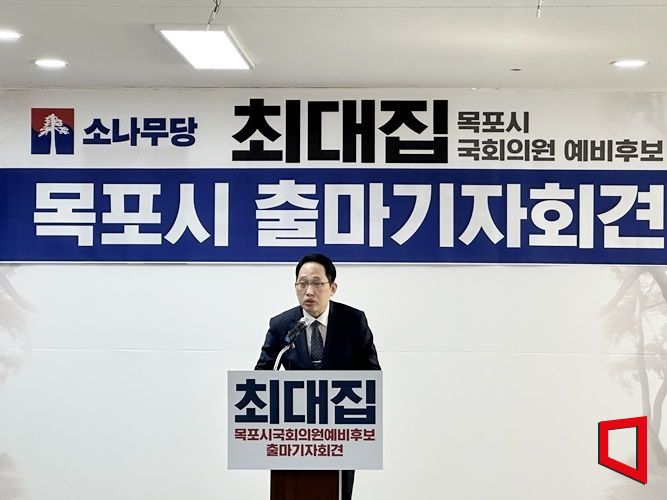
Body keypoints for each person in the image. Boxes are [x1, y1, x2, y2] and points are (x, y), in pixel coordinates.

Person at [255, 253, 381, 500]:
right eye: (302, 283)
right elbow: (262, 375)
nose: (309, 291)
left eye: (316, 283)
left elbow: (372, 374)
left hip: (339, 434)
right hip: (294, 435)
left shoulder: (353, 321)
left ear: (332, 288)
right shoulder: (281, 325)